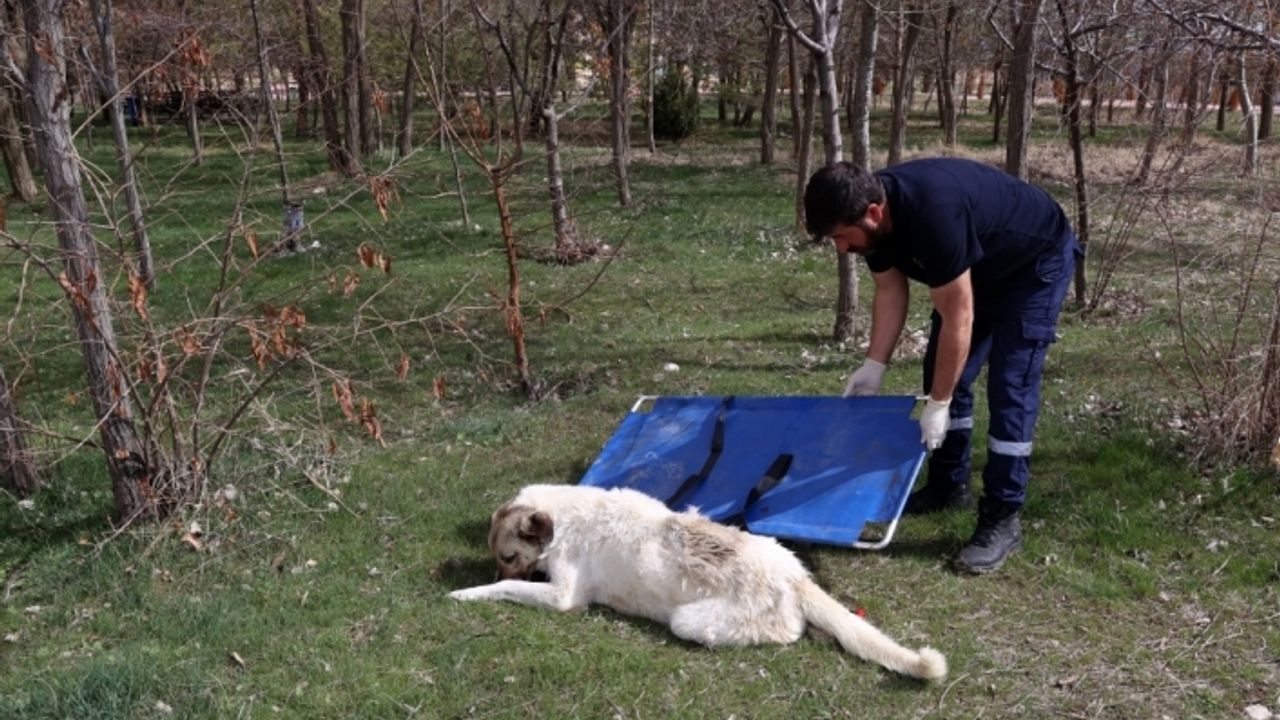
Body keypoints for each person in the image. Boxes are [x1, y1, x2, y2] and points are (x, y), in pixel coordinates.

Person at [803, 158, 1082, 574]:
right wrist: (874, 365)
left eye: (842, 237)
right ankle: (948, 485)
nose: (842, 248)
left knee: (1010, 385)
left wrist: (939, 403)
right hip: (981, 268)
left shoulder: (933, 214)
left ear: (873, 214)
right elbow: (889, 290)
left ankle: (1003, 516)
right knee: (943, 368)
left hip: (1034, 265)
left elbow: (959, 316)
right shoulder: (875, 222)